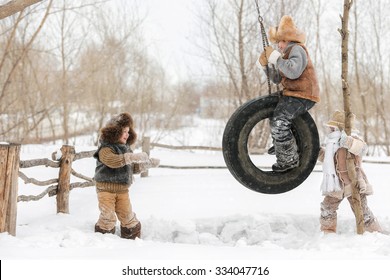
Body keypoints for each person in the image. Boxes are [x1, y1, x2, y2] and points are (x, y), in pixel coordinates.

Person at [258, 15, 320, 172]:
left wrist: (276, 59)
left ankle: (288, 159)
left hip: (303, 94)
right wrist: (266, 66)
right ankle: (283, 143)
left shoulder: (297, 49)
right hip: (292, 93)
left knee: (280, 120)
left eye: (279, 41)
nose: (278, 46)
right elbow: (278, 78)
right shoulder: (285, 55)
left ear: (286, 39)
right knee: (273, 111)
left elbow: (292, 71)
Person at [93, 112, 159, 239]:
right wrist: (131, 157)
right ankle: (102, 240)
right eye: (124, 131)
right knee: (108, 217)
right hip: (105, 189)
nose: (127, 134)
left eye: (129, 132)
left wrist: (147, 164)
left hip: (123, 190)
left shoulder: (126, 149)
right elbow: (112, 161)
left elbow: (130, 167)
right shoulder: (105, 148)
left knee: (127, 216)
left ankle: (131, 238)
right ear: (115, 132)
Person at [318, 110, 382, 234]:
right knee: (327, 207)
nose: (330, 130)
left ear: (341, 128)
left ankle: (373, 232)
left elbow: (362, 148)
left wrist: (348, 142)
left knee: (361, 209)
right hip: (336, 184)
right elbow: (328, 159)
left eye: (333, 127)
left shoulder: (353, 139)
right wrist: (318, 151)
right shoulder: (332, 144)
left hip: (354, 183)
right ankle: (328, 231)